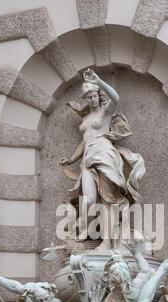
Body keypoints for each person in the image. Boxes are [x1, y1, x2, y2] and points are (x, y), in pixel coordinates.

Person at [60, 69, 145, 249]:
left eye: (93, 95)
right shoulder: (86, 118)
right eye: (88, 96)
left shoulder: (105, 113)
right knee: (89, 200)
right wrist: (71, 160)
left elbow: (115, 98)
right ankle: (83, 229)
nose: (91, 99)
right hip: (87, 159)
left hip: (105, 155)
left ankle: (106, 241)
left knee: (107, 200)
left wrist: (99, 81)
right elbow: (84, 142)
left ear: (99, 96)